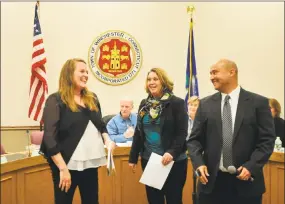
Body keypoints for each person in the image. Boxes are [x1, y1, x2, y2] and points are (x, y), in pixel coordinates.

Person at [187, 59, 275, 204]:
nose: (211, 77)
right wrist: (198, 163)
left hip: (246, 183)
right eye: (210, 73)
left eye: (215, 72)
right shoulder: (205, 104)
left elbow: (267, 141)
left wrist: (251, 166)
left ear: (231, 72)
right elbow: (194, 140)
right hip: (211, 184)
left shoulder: (258, 103)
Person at [39, 58, 115, 204]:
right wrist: (63, 169)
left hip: (89, 163)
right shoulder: (55, 100)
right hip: (65, 164)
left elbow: (101, 125)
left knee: (92, 201)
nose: (86, 74)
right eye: (81, 71)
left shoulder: (92, 98)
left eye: (87, 72)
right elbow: (49, 138)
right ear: (69, 74)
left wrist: (108, 140)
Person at [129, 68, 188, 204]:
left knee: (174, 199)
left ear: (163, 82)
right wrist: (133, 158)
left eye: (155, 79)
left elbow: (181, 132)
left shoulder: (176, 103)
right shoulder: (144, 104)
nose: (151, 82)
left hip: (173, 162)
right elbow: (139, 132)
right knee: (154, 200)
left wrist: (171, 152)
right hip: (150, 161)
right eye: (149, 79)